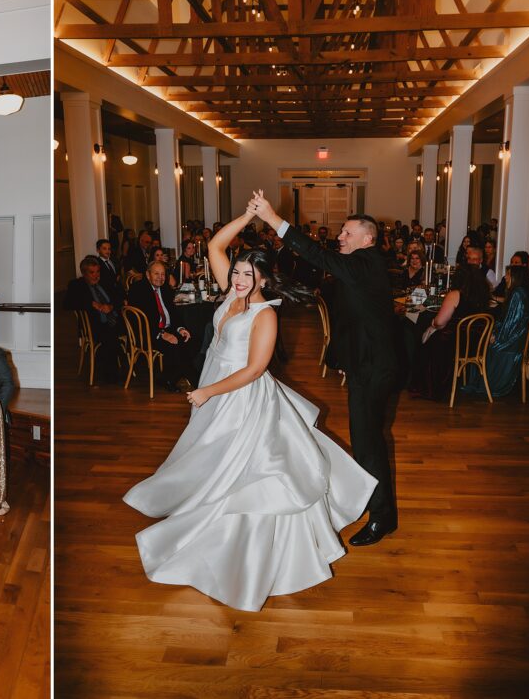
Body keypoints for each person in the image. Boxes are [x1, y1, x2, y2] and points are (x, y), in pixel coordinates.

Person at [123, 208, 375, 611]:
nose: (238, 280)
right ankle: (206, 522)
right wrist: (247, 216)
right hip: (216, 388)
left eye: (247, 275)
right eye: (236, 272)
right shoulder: (231, 293)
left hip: (241, 397)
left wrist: (207, 393)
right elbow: (214, 245)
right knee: (211, 461)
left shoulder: (266, 314)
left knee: (244, 471)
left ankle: (239, 549)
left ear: (264, 279)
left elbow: (256, 369)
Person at [249, 191, 400, 546]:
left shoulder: (366, 262)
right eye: (342, 232)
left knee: (368, 444)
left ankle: (383, 517)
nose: (340, 237)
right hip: (367, 364)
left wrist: (273, 219)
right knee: (367, 441)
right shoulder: (361, 267)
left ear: (367, 239)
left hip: (375, 368)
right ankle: (373, 502)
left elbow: (317, 254)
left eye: (348, 233)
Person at [408, 264, 490, 401]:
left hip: (454, 344)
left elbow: (440, 322)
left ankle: (425, 386)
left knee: (424, 339)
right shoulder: (483, 295)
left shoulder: (455, 294)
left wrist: (432, 324)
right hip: (476, 343)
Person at [461, 265, 529, 398]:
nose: (505, 277)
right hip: (515, 334)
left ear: (515, 277)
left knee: (482, 345)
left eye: (508, 274)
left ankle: (484, 384)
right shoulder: (519, 292)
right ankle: (477, 382)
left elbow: (512, 323)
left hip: (512, 340)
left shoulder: (518, 293)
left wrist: (496, 336)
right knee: (482, 340)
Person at [126, 261, 195, 391]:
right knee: (176, 346)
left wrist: (181, 328)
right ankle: (194, 381)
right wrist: (162, 334)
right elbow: (139, 320)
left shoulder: (165, 288)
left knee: (191, 339)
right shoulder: (138, 289)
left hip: (166, 328)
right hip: (147, 332)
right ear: (147, 275)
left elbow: (173, 312)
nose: (160, 277)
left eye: (163, 274)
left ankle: (168, 378)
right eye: (156, 273)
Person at [65, 256, 123, 384]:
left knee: (130, 331)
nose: (96, 275)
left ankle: (126, 366)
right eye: (92, 272)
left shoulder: (104, 282)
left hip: (114, 320)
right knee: (110, 338)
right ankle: (110, 375)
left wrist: (111, 306)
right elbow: (68, 303)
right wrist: (92, 303)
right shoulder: (77, 285)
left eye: (98, 271)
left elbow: (119, 297)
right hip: (94, 325)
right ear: (84, 273)